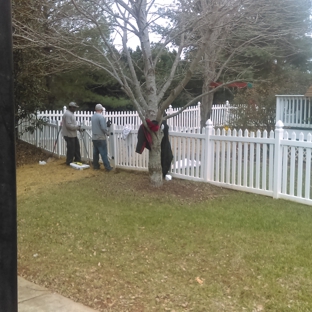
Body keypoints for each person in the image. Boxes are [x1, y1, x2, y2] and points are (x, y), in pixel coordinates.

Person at [91, 103, 113, 171]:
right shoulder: (101, 117)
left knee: (95, 152)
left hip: (94, 137)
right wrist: (107, 132)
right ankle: (108, 167)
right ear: (101, 109)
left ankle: (96, 166)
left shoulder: (93, 117)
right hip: (100, 137)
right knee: (103, 153)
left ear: (95, 109)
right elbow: (103, 127)